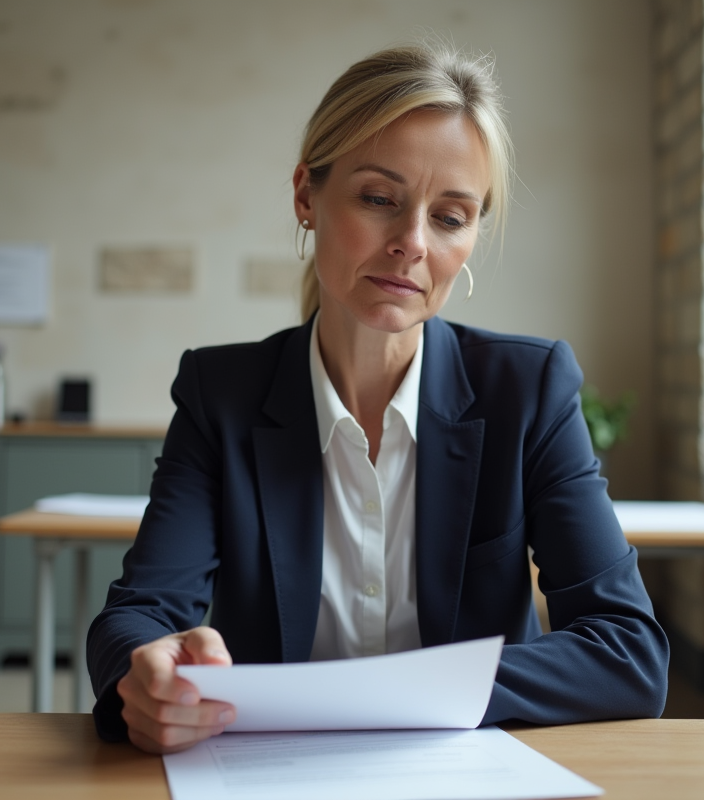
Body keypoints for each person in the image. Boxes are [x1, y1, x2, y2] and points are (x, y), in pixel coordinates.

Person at [88, 42, 668, 754]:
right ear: (306, 195)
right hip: (273, 773)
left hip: (470, 775)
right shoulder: (222, 396)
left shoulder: (528, 390)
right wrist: (141, 680)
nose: (412, 243)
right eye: (379, 199)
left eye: (450, 217)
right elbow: (139, 616)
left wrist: (405, 694)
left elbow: (628, 650)